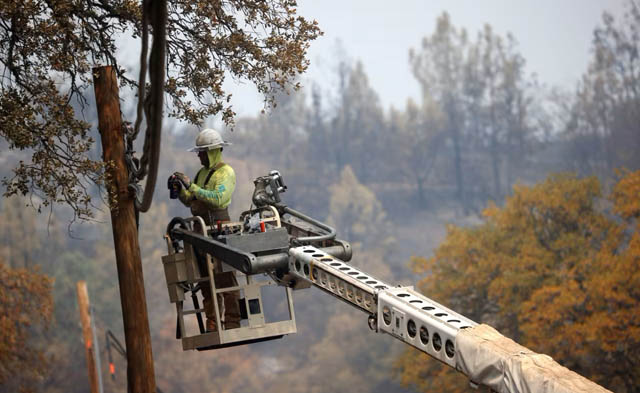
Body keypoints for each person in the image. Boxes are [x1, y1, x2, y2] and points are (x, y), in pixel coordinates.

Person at [171, 128, 241, 332]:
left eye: (202, 152)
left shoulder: (225, 173)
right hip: (200, 231)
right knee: (204, 280)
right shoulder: (202, 173)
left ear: (212, 151)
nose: (199, 156)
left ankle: (232, 322)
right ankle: (213, 324)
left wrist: (191, 186)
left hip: (220, 230)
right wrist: (180, 190)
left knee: (225, 277)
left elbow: (217, 199)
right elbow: (193, 200)